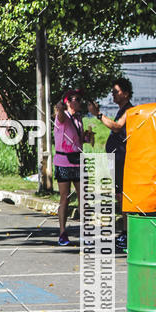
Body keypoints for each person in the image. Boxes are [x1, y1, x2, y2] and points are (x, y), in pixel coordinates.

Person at [87, 78, 133, 251]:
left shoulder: (128, 110)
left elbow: (116, 127)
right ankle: (125, 232)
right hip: (117, 160)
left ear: (126, 93)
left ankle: (126, 234)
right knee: (120, 196)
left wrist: (98, 115)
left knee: (123, 197)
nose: (113, 95)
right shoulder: (121, 110)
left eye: (116, 91)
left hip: (123, 159)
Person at [53, 90, 93, 246]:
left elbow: (78, 138)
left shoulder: (78, 118)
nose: (79, 102)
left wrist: (87, 137)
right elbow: (61, 114)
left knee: (83, 197)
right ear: (68, 102)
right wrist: (60, 107)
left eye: (79, 99)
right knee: (65, 198)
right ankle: (62, 233)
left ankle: (85, 233)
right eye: (75, 99)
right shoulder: (62, 117)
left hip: (77, 160)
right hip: (63, 161)